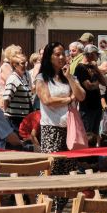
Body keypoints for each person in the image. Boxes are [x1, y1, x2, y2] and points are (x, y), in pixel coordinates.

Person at [33, 42, 83, 170]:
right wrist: (69, 99)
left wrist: (70, 78)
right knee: (51, 168)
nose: (62, 57)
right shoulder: (42, 78)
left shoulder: (69, 77)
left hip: (70, 129)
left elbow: (82, 96)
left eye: (63, 54)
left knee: (70, 169)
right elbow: (47, 100)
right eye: (57, 54)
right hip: (51, 129)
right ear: (49, 57)